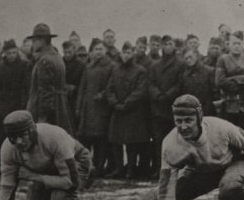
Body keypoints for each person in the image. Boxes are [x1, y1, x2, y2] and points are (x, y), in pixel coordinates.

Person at [105, 42, 151, 178]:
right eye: (124, 52)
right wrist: (115, 103)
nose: (126, 55)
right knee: (116, 141)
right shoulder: (115, 69)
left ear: (133, 53)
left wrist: (126, 104)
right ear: (120, 54)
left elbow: (140, 91)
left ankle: (130, 169)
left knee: (132, 142)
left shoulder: (140, 70)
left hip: (133, 112)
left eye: (129, 52)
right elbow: (109, 89)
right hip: (118, 110)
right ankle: (119, 169)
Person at [75, 39, 114, 177]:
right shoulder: (88, 67)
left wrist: (102, 95)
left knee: (100, 141)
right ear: (92, 51)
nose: (99, 52)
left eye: (101, 49)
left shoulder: (110, 66)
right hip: (88, 110)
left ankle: (99, 167)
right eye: (96, 49)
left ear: (105, 51)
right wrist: (79, 107)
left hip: (101, 109)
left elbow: (111, 85)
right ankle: (86, 167)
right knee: (85, 140)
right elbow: (82, 88)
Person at [26, 24, 74, 134]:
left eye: (35, 40)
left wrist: (43, 118)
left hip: (50, 114)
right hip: (60, 108)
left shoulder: (45, 60)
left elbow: (45, 93)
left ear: (42, 40)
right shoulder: (56, 56)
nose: (33, 43)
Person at [148, 35, 184, 175]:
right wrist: (158, 95)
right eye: (165, 44)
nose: (167, 46)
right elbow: (150, 83)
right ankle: (159, 168)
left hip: (173, 108)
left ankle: (175, 168)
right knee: (158, 140)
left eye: (170, 43)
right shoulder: (154, 65)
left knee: (175, 139)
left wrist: (168, 95)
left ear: (174, 46)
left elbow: (180, 84)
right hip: (158, 108)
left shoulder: (180, 64)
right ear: (161, 47)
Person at [216, 33, 244, 134]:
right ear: (229, 44)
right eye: (234, 43)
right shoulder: (223, 59)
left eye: (239, 43)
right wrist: (243, 82)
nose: (236, 46)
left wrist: (235, 79)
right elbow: (219, 81)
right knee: (230, 135)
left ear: (243, 44)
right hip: (229, 105)